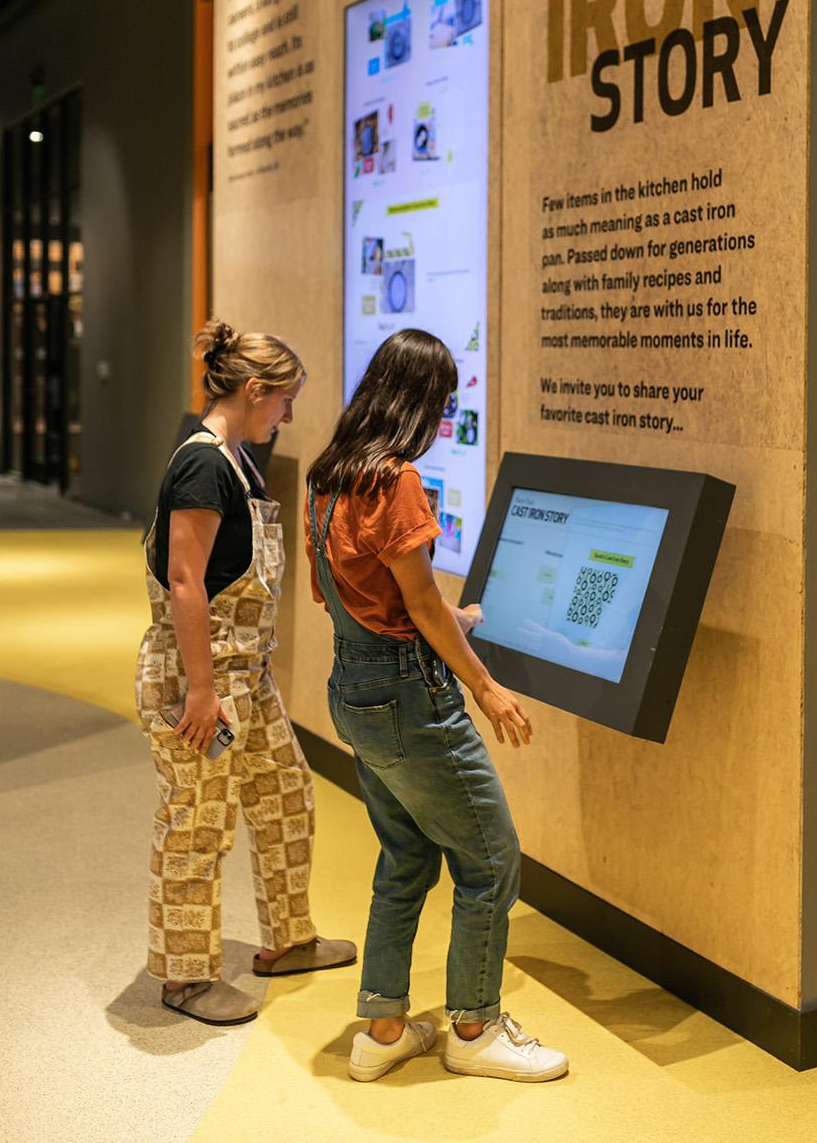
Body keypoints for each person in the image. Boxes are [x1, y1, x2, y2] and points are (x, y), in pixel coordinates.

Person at [304, 328, 568, 1082]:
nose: (446, 415)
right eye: (444, 401)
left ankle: (384, 1031)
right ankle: (475, 1030)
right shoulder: (395, 481)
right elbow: (416, 603)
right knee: (490, 861)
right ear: (418, 400)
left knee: (406, 855)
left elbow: (352, 594)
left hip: (352, 690)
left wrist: (455, 618)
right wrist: (485, 686)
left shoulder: (331, 477)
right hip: (410, 698)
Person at [135, 318, 356, 1026]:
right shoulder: (202, 463)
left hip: (244, 679)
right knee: (198, 824)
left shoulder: (236, 457)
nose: (289, 415)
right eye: (284, 400)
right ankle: (184, 978)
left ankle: (288, 939)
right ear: (254, 389)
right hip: (203, 681)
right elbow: (184, 579)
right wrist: (200, 692)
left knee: (285, 796)